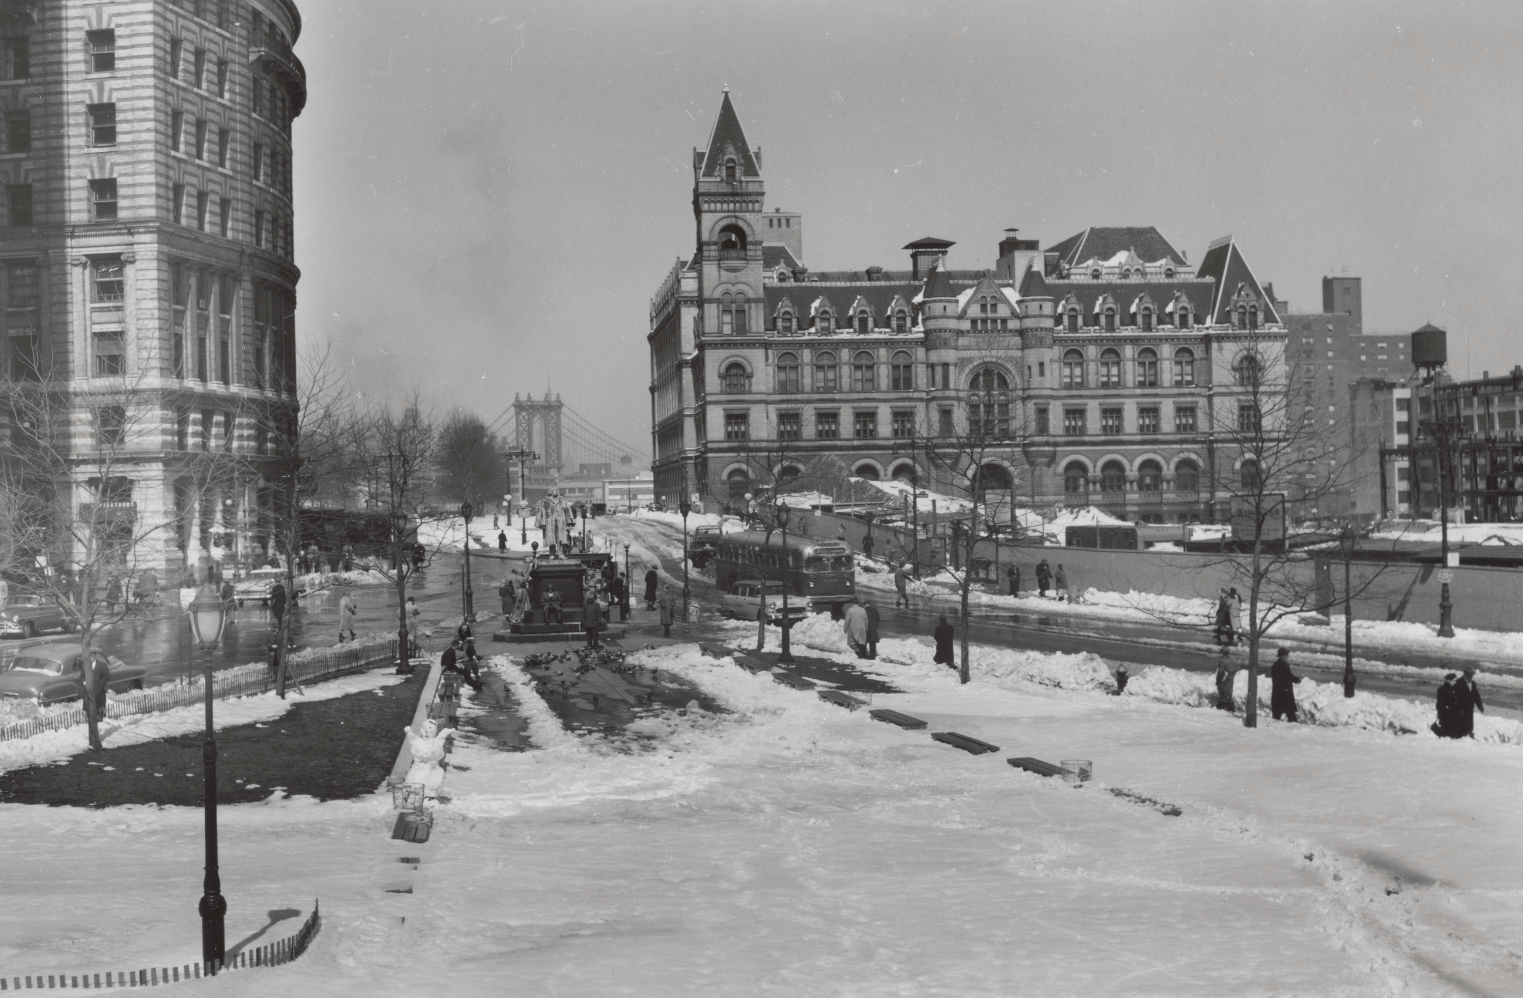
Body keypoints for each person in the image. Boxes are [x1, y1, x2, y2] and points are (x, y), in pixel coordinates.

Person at [1269, 647, 1303, 722]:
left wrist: (1296, 679)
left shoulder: (1286, 665)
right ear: (1281, 656)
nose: (1287, 657)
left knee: (1291, 713)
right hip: (1279, 694)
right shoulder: (1275, 667)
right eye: (1285, 656)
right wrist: (1284, 688)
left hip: (1287, 694)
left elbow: (1288, 675)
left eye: (1287, 655)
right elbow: (1277, 681)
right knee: (1277, 715)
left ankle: (1293, 727)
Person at [1452, 666, 1485, 738]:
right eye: (1470, 675)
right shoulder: (1458, 683)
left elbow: (1476, 696)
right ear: (1465, 674)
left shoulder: (1473, 684)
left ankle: (1469, 737)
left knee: (1469, 725)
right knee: (1461, 725)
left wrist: (1480, 706)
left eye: (1472, 675)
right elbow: (1455, 698)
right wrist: (1458, 708)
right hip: (1461, 710)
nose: (1471, 676)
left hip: (1469, 709)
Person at [1432, 673, 1458, 738]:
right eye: (1454, 681)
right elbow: (1440, 704)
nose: (1455, 682)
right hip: (1446, 715)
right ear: (1448, 681)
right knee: (1449, 734)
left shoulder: (1454, 689)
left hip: (1453, 714)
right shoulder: (1442, 689)